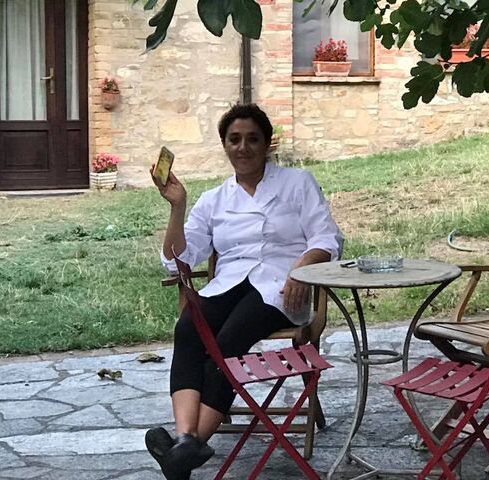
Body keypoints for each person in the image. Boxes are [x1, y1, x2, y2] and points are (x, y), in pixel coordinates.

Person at [146, 103, 343, 480]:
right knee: (188, 329)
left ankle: (189, 444)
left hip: (280, 287)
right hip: (229, 283)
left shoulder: (297, 183)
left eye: (253, 139)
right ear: (224, 145)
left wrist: (302, 267)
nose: (243, 147)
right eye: (234, 139)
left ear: (267, 144)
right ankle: (185, 441)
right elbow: (176, 261)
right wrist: (177, 207)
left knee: (229, 339)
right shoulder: (214, 200)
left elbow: (327, 237)